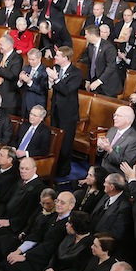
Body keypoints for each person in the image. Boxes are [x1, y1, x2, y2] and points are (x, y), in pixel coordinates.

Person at [25, 211, 94, 271]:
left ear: (76, 226)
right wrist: (49, 267)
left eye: (69, 222)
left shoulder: (88, 246)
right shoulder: (69, 236)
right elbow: (55, 255)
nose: (66, 224)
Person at [46, 47, 83, 177]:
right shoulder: (56, 69)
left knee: (65, 143)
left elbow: (67, 91)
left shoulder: (76, 73)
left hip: (68, 114)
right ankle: (54, 166)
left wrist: (56, 80)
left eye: (58, 55)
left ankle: (63, 170)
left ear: (66, 58)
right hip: (55, 110)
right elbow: (52, 87)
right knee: (55, 140)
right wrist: (51, 82)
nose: (55, 57)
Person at [97, 106, 136, 175]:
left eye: (118, 116)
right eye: (115, 115)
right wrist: (101, 147)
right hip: (102, 167)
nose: (114, 118)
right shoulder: (112, 130)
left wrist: (110, 150)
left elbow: (126, 163)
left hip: (116, 174)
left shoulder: (135, 139)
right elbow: (100, 154)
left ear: (128, 120)